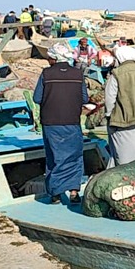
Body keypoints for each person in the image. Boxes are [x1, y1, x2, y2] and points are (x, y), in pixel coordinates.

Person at [33, 43, 88, 204]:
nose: (48, 60)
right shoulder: (78, 74)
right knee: (74, 156)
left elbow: (37, 98)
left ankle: (55, 193)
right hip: (72, 121)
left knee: (54, 157)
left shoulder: (46, 74)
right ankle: (74, 192)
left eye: (50, 57)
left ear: (55, 58)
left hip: (50, 122)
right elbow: (84, 98)